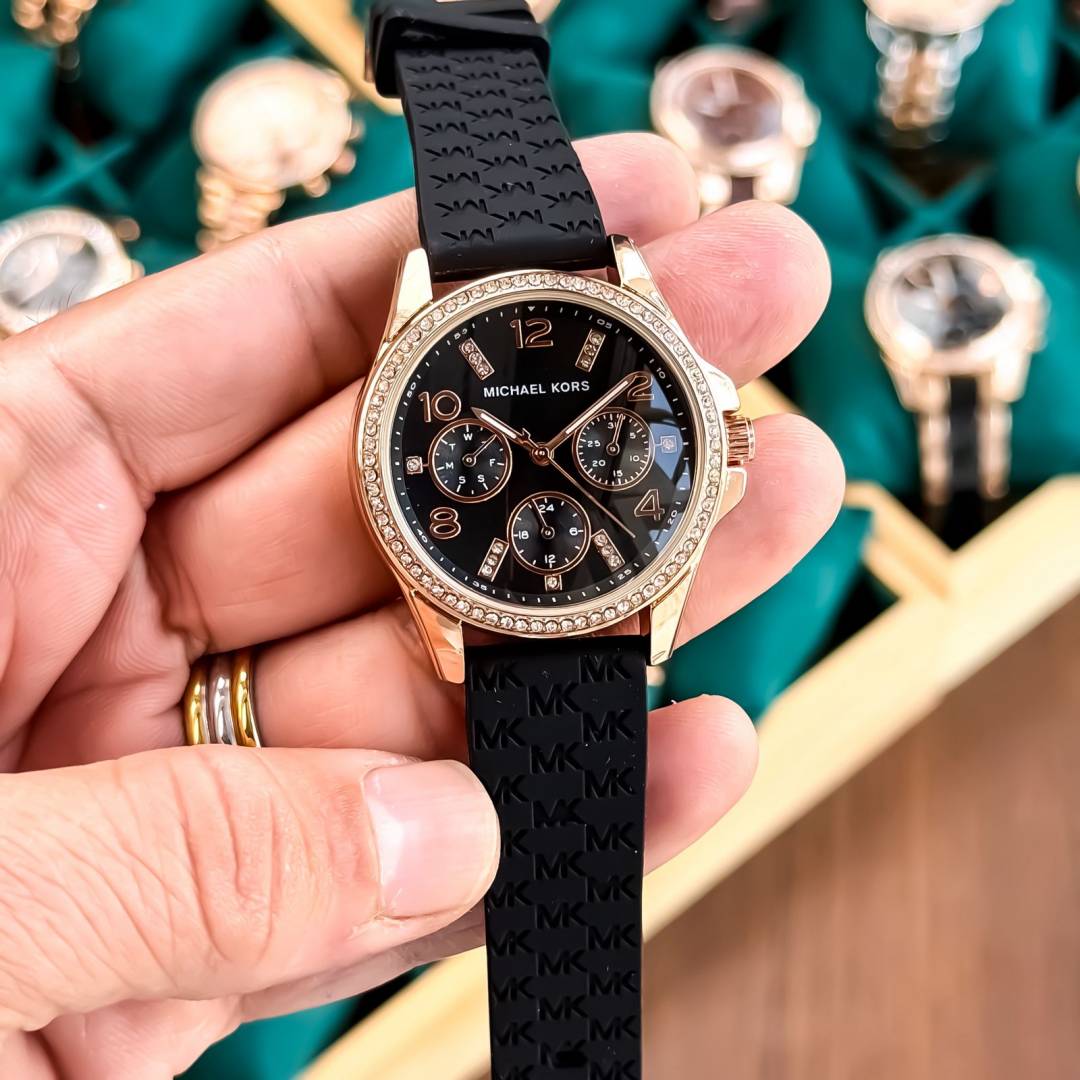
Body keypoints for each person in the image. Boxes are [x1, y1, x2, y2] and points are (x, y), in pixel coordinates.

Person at [0, 133, 842, 1078]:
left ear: (716, 440)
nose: (540, 455)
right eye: (518, 448)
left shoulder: (602, 336)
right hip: (504, 596)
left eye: (580, 441)